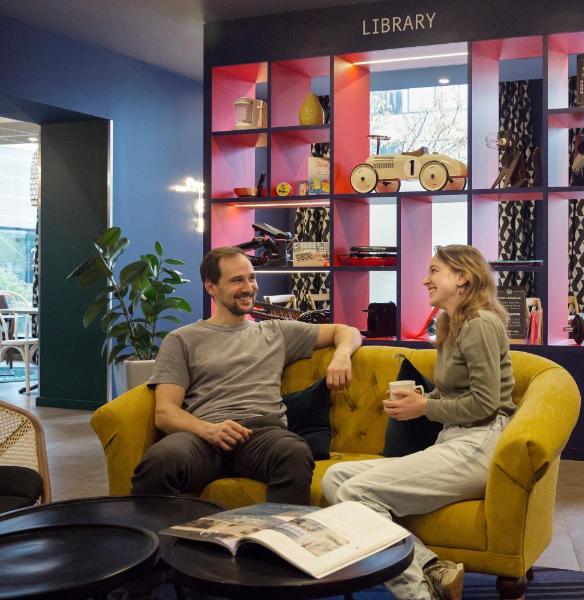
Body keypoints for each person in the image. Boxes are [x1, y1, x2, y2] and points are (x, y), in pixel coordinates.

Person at [322, 245, 515, 600]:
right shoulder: (450, 323)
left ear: (462, 278)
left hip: (481, 441)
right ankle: (430, 567)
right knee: (335, 478)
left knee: (354, 492)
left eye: (434, 271)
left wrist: (425, 407)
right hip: (457, 438)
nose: (425, 280)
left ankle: (416, 593)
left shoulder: (480, 325)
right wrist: (421, 401)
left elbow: (486, 404)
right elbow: (455, 391)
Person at [131, 246, 361, 504]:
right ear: (211, 287)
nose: (249, 287)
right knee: (159, 461)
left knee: (295, 454)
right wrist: (208, 430)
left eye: (251, 278)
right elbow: (165, 412)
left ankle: (274, 532)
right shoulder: (181, 339)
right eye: (237, 280)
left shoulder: (276, 332)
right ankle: (162, 532)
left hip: (262, 434)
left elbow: (347, 331)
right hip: (204, 435)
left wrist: (341, 356)